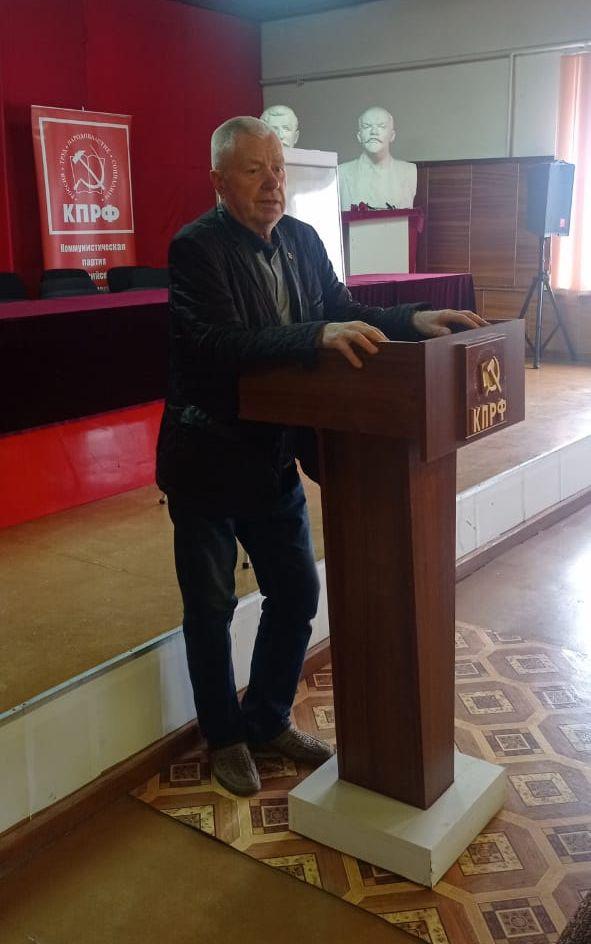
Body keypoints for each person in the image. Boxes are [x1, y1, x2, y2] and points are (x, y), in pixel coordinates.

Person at [156, 116, 485, 797]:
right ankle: (224, 737)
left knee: (298, 591)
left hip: (274, 454)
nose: (272, 183)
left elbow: (339, 308)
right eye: (254, 171)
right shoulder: (195, 248)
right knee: (211, 608)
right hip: (207, 458)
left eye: (277, 169)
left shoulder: (303, 239)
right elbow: (218, 345)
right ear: (219, 182)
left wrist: (411, 319)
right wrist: (314, 335)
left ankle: (267, 718)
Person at [338, 106, 417, 210]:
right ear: (359, 136)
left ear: (392, 135)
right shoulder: (343, 172)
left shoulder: (408, 171)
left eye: (381, 126)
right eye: (366, 126)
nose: (374, 132)